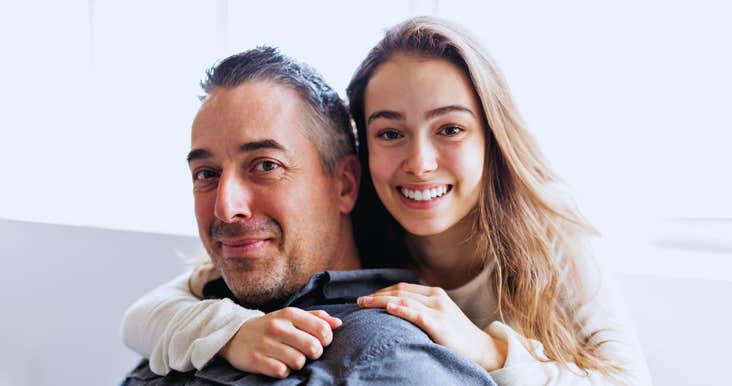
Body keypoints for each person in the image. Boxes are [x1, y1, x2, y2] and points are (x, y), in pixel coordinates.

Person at [122, 17, 652, 385]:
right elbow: (146, 315)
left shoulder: (548, 233)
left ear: (491, 136)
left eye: (449, 129)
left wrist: (489, 351)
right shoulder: (356, 219)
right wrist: (230, 332)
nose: (419, 163)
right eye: (390, 133)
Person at [120, 45, 496, 385]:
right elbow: (139, 317)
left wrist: (498, 353)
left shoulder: (392, 357)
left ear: (345, 185)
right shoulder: (201, 312)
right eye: (206, 174)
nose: (226, 207)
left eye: (266, 165)